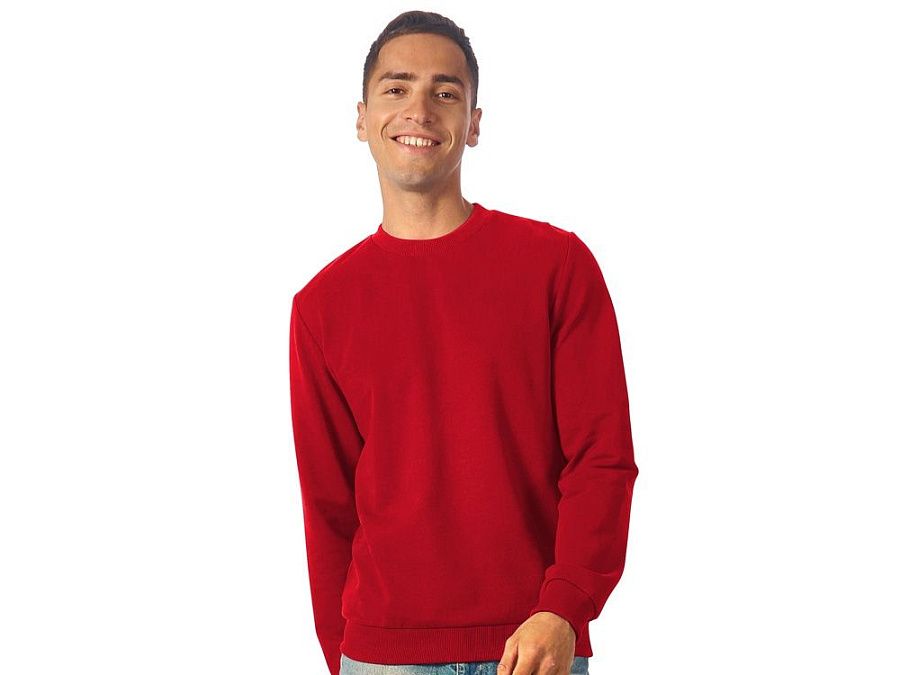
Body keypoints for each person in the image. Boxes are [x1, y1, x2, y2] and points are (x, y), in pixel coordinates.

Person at [289, 10, 638, 675]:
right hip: (382, 654)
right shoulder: (321, 305)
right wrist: (342, 658)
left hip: (533, 644)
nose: (419, 109)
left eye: (445, 91)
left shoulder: (556, 266)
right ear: (362, 117)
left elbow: (602, 458)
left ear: (473, 123)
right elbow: (327, 507)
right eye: (397, 88)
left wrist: (565, 608)